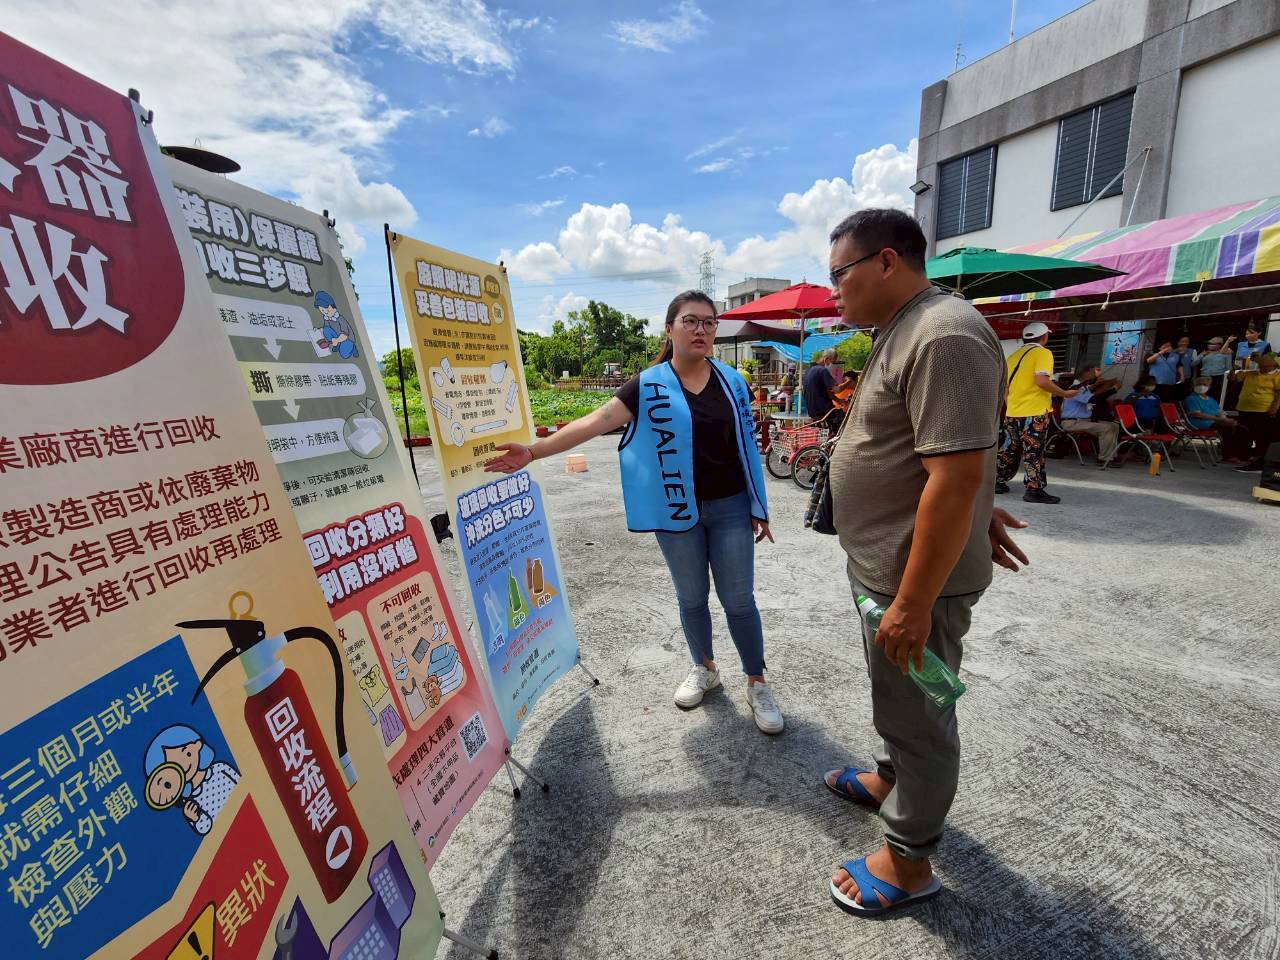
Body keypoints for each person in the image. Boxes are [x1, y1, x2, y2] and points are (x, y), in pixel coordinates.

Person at [821, 208, 1028, 917]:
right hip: (887, 566)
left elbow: (957, 476)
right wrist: (979, 517)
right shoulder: (900, 328)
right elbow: (941, 455)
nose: (833, 291)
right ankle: (889, 778)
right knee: (896, 700)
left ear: (886, 261)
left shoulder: (943, 333)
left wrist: (913, 600)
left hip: (916, 584)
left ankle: (910, 859)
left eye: (839, 274)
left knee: (920, 717)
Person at [483, 291, 784, 734]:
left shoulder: (732, 382)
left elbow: (746, 448)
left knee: (739, 599)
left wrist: (759, 505)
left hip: (730, 508)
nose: (701, 330)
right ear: (670, 328)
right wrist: (533, 450)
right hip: (675, 512)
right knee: (691, 597)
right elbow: (595, 421)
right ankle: (705, 668)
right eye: (690, 321)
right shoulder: (648, 384)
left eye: (709, 322)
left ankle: (756, 681)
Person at [996, 321, 1080, 503]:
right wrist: (1064, 393)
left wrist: (1010, 405)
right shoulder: (1043, 353)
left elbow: (1004, 387)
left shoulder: (1013, 356)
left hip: (1012, 411)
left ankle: (998, 482)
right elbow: (1041, 381)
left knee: (1008, 449)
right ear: (1044, 337)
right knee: (1034, 451)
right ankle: (1034, 490)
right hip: (1034, 412)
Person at [1060, 364, 1122, 467]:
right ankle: (1104, 459)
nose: (1096, 374)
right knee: (1106, 428)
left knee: (1114, 425)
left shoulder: (1084, 388)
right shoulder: (1076, 388)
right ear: (1086, 372)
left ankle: (1111, 455)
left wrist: (1103, 385)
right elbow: (1093, 400)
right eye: (1094, 371)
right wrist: (1114, 389)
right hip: (1072, 422)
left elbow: (1094, 395)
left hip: (1083, 421)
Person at [1228, 352, 1280, 472]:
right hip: (1245, 408)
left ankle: (1259, 463)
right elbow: (1232, 379)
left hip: (1262, 410)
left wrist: (1274, 408)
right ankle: (1249, 459)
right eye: (1260, 364)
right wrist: (1233, 369)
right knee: (1247, 435)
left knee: (1261, 437)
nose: (1261, 366)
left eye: (1264, 364)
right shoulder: (1250, 373)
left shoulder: (1277, 375)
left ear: (1273, 365)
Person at [1183, 376, 1241, 454]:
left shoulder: (1211, 399)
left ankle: (1234, 450)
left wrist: (1224, 418)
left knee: (1238, 426)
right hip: (1198, 423)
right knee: (1229, 427)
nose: (1201, 386)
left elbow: (1219, 412)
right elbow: (1197, 415)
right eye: (1198, 384)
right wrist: (1219, 419)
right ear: (1194, 386)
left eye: (1204, 384)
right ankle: (1229, 454)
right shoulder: (1191, 399)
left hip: (1212, 421)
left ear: (1209, 387)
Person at [803, 348, 838, 421]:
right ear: (827, 359)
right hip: (822, 411)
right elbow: (837, 390)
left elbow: (829, 392)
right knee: (843, 416)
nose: (832, 365)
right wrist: (849, 382)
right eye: (833, 362)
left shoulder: (809, 370)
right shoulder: (822, 370)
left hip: (811, 411)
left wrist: (840, 401)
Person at [1194, 336, 1233, 400]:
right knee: (1203, 395)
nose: (1210, 345)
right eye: (1209, 344)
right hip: (1204, 376)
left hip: (1218, 377)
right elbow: (1193, 364)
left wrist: (1228, 378)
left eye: (1213, 344)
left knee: (1216, 395)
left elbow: (1228, 367)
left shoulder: (1226, 353)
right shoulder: (1204, 353)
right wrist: (1201, 355)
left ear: (1219, 345)